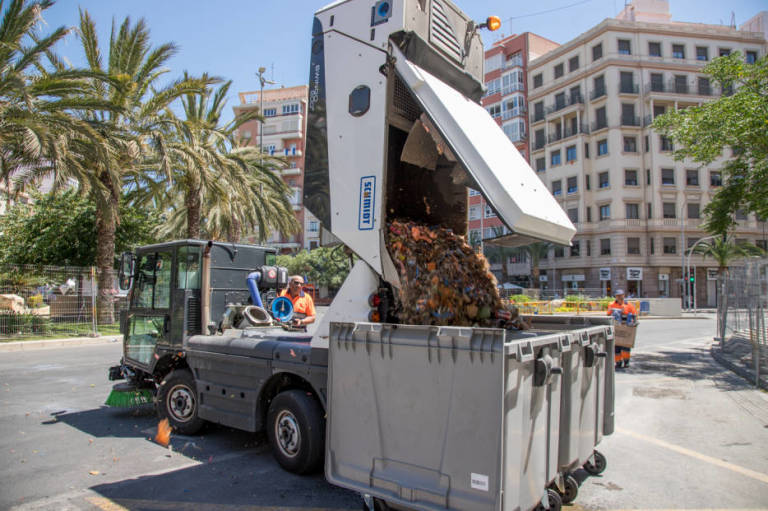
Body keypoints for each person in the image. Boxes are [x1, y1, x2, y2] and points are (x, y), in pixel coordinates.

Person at [607, 289, 637, 369]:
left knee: (626, 347)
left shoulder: (629, 305)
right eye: (618, 296)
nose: (619, 297)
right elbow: (608, 315)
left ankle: (626, 362)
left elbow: (634, 315)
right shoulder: (611, 304)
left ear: (624, 295)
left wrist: (624, 313)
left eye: (621, 295)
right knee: (616, 347)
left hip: (626, 327)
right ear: (615, 297)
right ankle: (618, 362)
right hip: (616, 326)